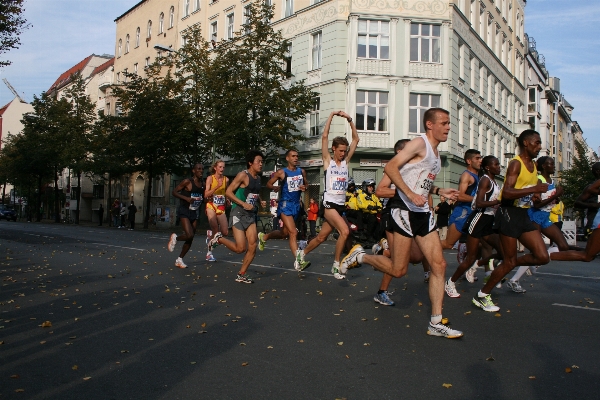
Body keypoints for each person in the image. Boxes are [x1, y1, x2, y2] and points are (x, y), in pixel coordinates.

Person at [339, 108, 463, 339]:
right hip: (404, 211)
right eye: (444, 123)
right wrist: (408, 193)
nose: (448, 127)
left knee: (439, 266)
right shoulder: (419, 143)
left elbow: (421, 183)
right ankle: (361, 257)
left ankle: (436, 322)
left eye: (449, 123)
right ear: (430, 124)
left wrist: (439, 190)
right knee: (399, 270)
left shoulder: (435, 153)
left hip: (422, 213)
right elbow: (390, 168)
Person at [471, 130, 550, 312]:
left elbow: (527, 189)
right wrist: (534, 189)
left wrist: (535, 194)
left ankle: (505, 262)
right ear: (526, 143)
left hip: (523, 215)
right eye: (536, 143)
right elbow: (506, 193)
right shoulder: (516, 163)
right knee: (510, 262)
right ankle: (482, 295)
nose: (539, 147)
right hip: (508, 214)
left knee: (542, 256)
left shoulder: (534, 166)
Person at [295, 110, 359, 279]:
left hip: (339, 206)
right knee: (345, 232)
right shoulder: (328, 162)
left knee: (322, 237)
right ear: (334, 149)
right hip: (329, 204)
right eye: (340, 151)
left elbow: (356, 139)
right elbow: (324, 137)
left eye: (345, 151)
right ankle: (336, 266)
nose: (343, 153)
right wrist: (331, 115)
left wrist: (350, 119)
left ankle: (301, 254)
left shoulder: (345, 163)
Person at [508, 156, 586, 291]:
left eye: (553, 163)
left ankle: (536, 261)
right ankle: (514, 279)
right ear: (544, 166)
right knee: (536, 251)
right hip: (535, 217)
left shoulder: (551, 181)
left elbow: (549, 200)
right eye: (550, 164)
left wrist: (557, 197)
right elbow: (537, 205)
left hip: (545, 217)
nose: (553, 166)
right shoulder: (540, 180)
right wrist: (555, 196)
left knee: (563, 246)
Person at [372, 138, 430, 307]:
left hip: (413, 214)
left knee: (417, 256)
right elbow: (380, 191)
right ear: (400, 152)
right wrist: (406, 192)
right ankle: (381, 291)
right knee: (399, 263)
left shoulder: (415, 169)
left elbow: (424, 193)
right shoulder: (394, 168)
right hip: (394, 214)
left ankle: (385, 249)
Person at [444, 156, 503, 298]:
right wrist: (497, 202)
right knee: (469, 258)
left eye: (499, 164)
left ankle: (477, 265)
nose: (499, 166)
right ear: (488, 167)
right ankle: (450, 283)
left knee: (503, 251)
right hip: (478, 219)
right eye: (496, 164)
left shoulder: (495, 182)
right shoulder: (485, 180)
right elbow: (479, 203)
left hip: (489, 221)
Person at [208, 150, 265, 283]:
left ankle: (241, 274)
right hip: (238, 213)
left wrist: (259, 201)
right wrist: (243, 204)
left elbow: (253, 193)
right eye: (258, 161)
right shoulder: (242, 175)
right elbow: (228, 192)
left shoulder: (258, 178)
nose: (261, 164)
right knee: (240, 248)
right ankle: (219, 239)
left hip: (250, 215)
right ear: (250, 163)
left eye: (262, 162)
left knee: (253, 246)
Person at [257, 149, 311, 271]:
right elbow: (268, 184)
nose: (296, 158)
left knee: (284, 233)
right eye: (293, 156)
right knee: (293, 232)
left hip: (297, 205)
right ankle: (298, 261)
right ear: (287, 158)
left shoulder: (302, 172)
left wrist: (305, 187)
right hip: (285, 205)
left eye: (297, 156)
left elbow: (307, 185)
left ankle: (264, 237)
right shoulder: (281, 172)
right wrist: (275, 187)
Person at [440, 150, 482, 259]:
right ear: (469, 161)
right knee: (448, 244)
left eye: (480, 158)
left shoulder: (479, 176)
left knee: (482, 244)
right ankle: (424, 248)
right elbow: (460, 196)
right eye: (477, 158)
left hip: (473, 213)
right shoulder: (467, 175)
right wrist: (479, 200)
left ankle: (469, 268)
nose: (480, 161)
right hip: (462, 213)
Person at [167, 163, 206, 269]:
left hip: (194, 211)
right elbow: (174, 192)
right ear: (193, 171)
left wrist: (206, 201)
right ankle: (175, 237)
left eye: (202, 169)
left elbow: (201, 197)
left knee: (191, 238)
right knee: (189, 234)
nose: (201, 171)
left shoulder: (203, 183)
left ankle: (179, 260)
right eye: (198, 169)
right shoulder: (187, 182)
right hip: (184, 210)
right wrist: (186, 198)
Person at [204, 160, 230, 262]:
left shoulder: (226, 179)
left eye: (223, 167)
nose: (222, 169)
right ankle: (209, 254)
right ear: (215, 168)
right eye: (220, 167)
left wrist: (227, 199)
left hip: (221, 207)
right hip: (211, 205)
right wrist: (217, 186)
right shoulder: (210, 178)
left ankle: (210, 235)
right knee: (215, 227)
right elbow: (206, 194)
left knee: (225, 232)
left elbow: (226, 192)